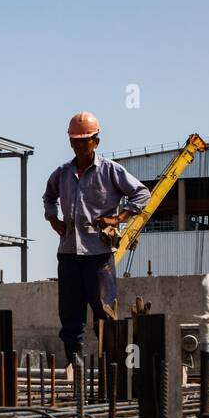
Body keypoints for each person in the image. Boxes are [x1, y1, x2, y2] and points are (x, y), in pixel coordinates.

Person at [42, 111, 152, 364]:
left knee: (104, 311)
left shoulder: (110, 171)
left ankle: (110, 367)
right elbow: (48, 197)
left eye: (85, 140)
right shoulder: (62, 173)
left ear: (96, 141)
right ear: (70, 142)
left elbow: (141, 194)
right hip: (69, 253)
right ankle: (75, 365)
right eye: (76, 140)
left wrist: (118, 219)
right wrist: (53, 219)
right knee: (70, 314)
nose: (80, 145)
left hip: (98, 255)